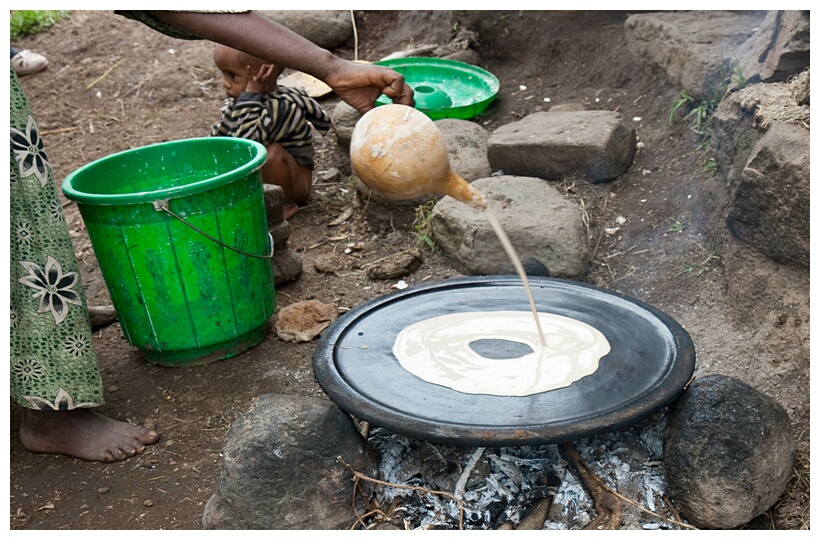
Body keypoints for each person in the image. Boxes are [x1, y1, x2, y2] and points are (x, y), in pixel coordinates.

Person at [10, 10, 414, 463]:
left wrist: (330, 69)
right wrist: (328, 68)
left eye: (230, 74)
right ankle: (49, 408)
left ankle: (34, 321)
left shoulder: (279, 101)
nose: (225, 84)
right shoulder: (256, 100)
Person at [210, 45, 331, 219]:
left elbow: (248, 141)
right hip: (262, 178)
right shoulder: (242, 102)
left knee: (269, 153)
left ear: (263, 72)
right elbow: (223, 136)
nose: (225, 83)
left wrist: (250, 96)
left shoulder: (282, 106)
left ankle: (284, 205)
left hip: (294, 183)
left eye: (232, 75)